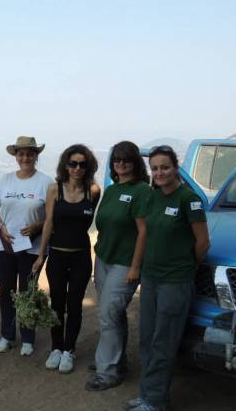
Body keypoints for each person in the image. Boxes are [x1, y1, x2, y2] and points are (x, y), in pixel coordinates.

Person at [124, 146, 209, 411]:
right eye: (156, 168)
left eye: (165, 167)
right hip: (151, 277)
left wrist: (186, 265)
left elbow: (203, 243)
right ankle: (149, 393)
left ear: (175, 168)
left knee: (165, 340)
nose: (160, 172)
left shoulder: (188, 199)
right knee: (147, 337)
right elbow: (147, 234)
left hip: (176, 281)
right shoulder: (154, 197)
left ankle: (154, 400)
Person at [85, 141, 150, 391]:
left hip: (126, 263)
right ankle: (116, 359)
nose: (121, 163)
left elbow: (144, 232)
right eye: (117, 159)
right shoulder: (112, 190)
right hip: (104, 259)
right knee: (113, 313)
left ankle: (108, 372)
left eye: (126, 159)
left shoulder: (141, 191)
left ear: (135, 162)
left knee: (108, 314)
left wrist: (135, 267)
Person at [32, 144, 100, 373]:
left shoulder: (93, 191)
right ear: (66, 165)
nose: (77, 168)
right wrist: (41, 254)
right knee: (57, 304)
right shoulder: (55, 189)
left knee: (75, 305)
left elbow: (88, 221)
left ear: (87, 167)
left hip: (81, 256)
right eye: (73, 163)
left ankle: (69, 350)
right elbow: (49, 222)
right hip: (57, 256)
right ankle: (56, 348)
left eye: (82, 164)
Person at [0, 136, 53, 355]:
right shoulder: (4, 181)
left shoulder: (46, 182)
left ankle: (27, 337)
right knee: (6, 291)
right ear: (16, 157)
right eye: (21, 154)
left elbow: (54, 216)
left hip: (32, 247)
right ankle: (7, 335)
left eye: (29, 154)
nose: (25, 157)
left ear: (36, 156)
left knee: (27, 291)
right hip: (4, 245)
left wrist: (38, 226)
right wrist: (0, 226)